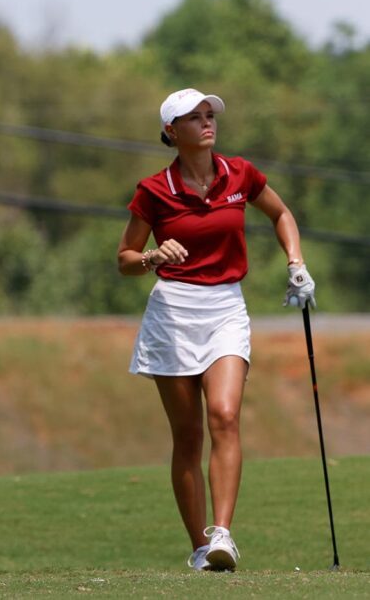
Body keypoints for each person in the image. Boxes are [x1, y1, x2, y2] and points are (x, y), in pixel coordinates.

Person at [116, 88, 316, 572]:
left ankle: (222, 535)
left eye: (210, 115)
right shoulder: (154, 190)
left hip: (226, 307)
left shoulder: (240, 174)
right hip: (173, 314)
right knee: (186, 437)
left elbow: (281, 213)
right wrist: (151, 256)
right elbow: (124, 259)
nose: (207, 123)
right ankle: (200, 548)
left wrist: (296, 262)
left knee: (224, 416)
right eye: (194, 117)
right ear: (171, 131)